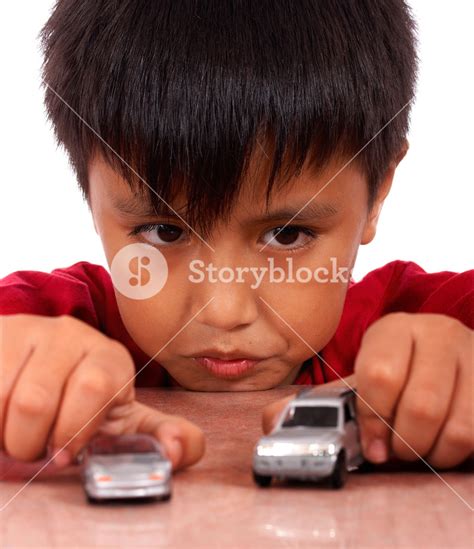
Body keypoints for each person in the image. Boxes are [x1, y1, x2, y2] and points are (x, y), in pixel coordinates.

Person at [1, 0, 472, 478]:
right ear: (93, 197)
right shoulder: (48, 322)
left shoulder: (440, 320)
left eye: (287, 235)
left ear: (378, 193)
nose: (223, 311)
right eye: (164, 231)